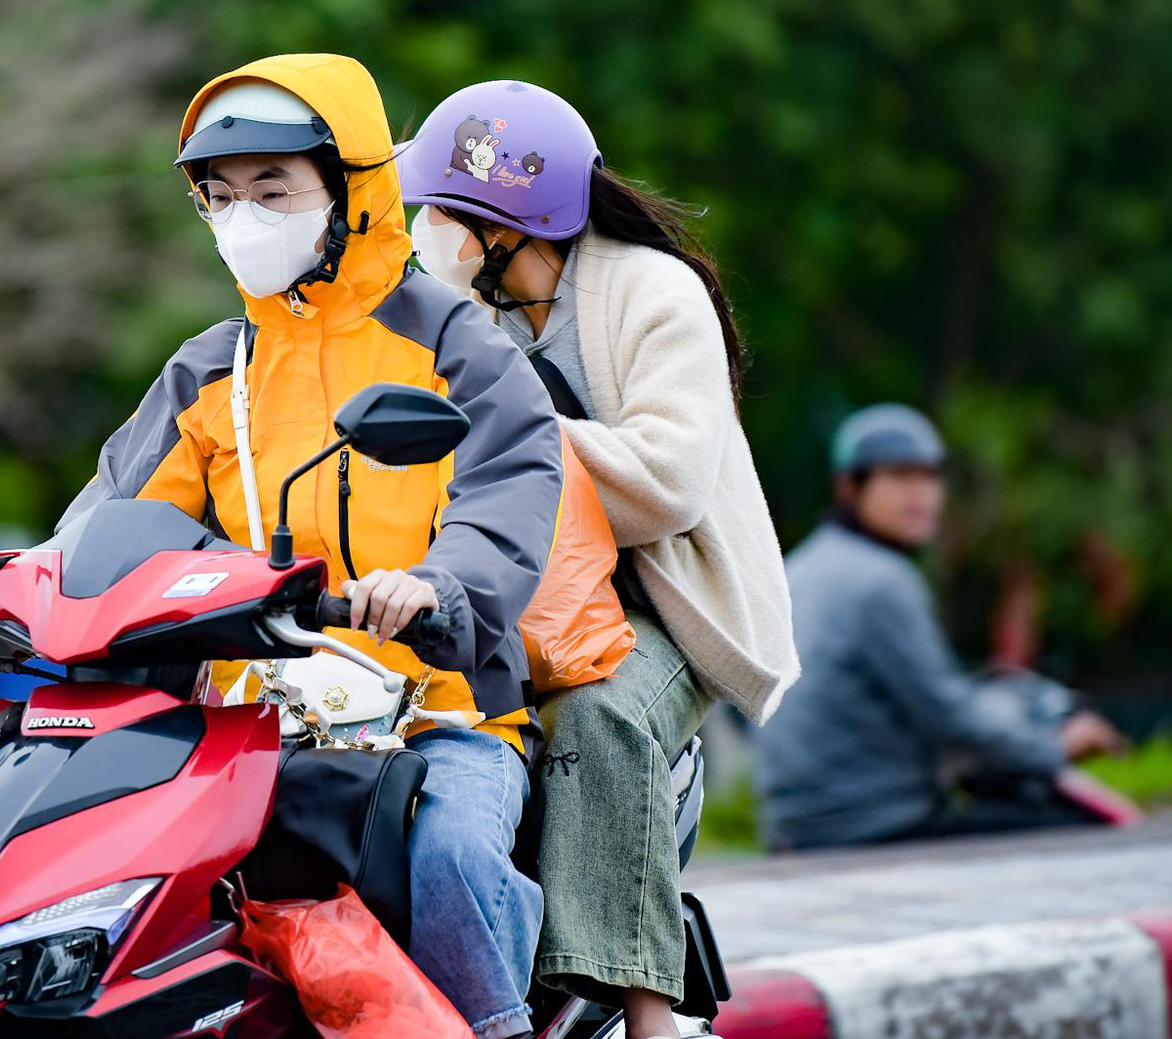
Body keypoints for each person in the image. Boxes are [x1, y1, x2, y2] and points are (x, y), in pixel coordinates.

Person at [0, 55, 562, 1039]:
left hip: (438, 709)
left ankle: (496, 1025)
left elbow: (506, 485)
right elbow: (103, 519)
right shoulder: (213, 367)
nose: (242, 217)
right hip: (250, 721)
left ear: (348, 190)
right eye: (219, 197)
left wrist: (434, 589)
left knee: (451, 852)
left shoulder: (455, 344)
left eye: (271, 190)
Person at [398, 80, 798, 1039]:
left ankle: (645, 1013)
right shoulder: (456, 308)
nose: (428, 229)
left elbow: (669, 481)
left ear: (508, 223)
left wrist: (519, 441)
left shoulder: (655, 294)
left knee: (599, 712)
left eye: (447, 211)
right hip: (512, 587)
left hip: (660, 597)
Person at [753, 403, 1126, 850]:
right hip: (870, 827)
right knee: (1080, 834)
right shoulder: (880, 581)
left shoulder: (800, 568)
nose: (923, 495)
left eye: (931, 476)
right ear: (850, 486)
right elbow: (948, 716)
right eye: (901, 476)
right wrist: (1054, 749)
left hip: (795, 827)